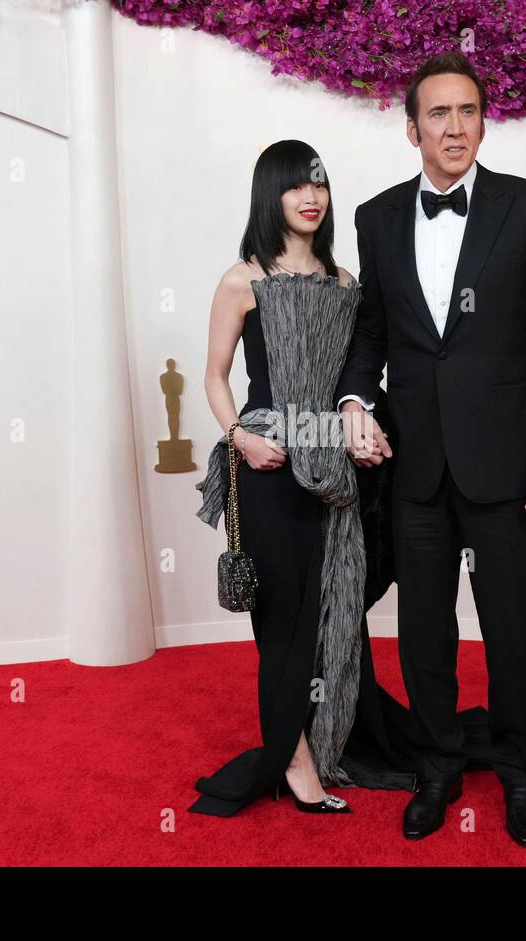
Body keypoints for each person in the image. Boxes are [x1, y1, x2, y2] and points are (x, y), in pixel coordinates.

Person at [191, 140, 495, 818]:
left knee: (338, 613)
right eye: (296, 186)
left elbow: (359, 377)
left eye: (320, 186)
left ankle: (336, 736)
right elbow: (213, 375)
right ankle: (295, 760)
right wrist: (239, 434)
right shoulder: (243, 279)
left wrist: (362, 429)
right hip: (269, 463)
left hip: (335, 464)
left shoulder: (346, 282)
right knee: (283, 618)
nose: (311, 197)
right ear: (269, 194)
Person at [335, 53, 526, 846]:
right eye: (438, 114)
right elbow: (371, 328)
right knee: (424, 628)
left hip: (508, 460)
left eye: (468, 111)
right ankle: (440, 758)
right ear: (412, 129)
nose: (455, 126)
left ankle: (518, 762)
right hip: (414, 462)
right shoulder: (375, 218)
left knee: (514, 620)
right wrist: (351, 400)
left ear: (484, 122)